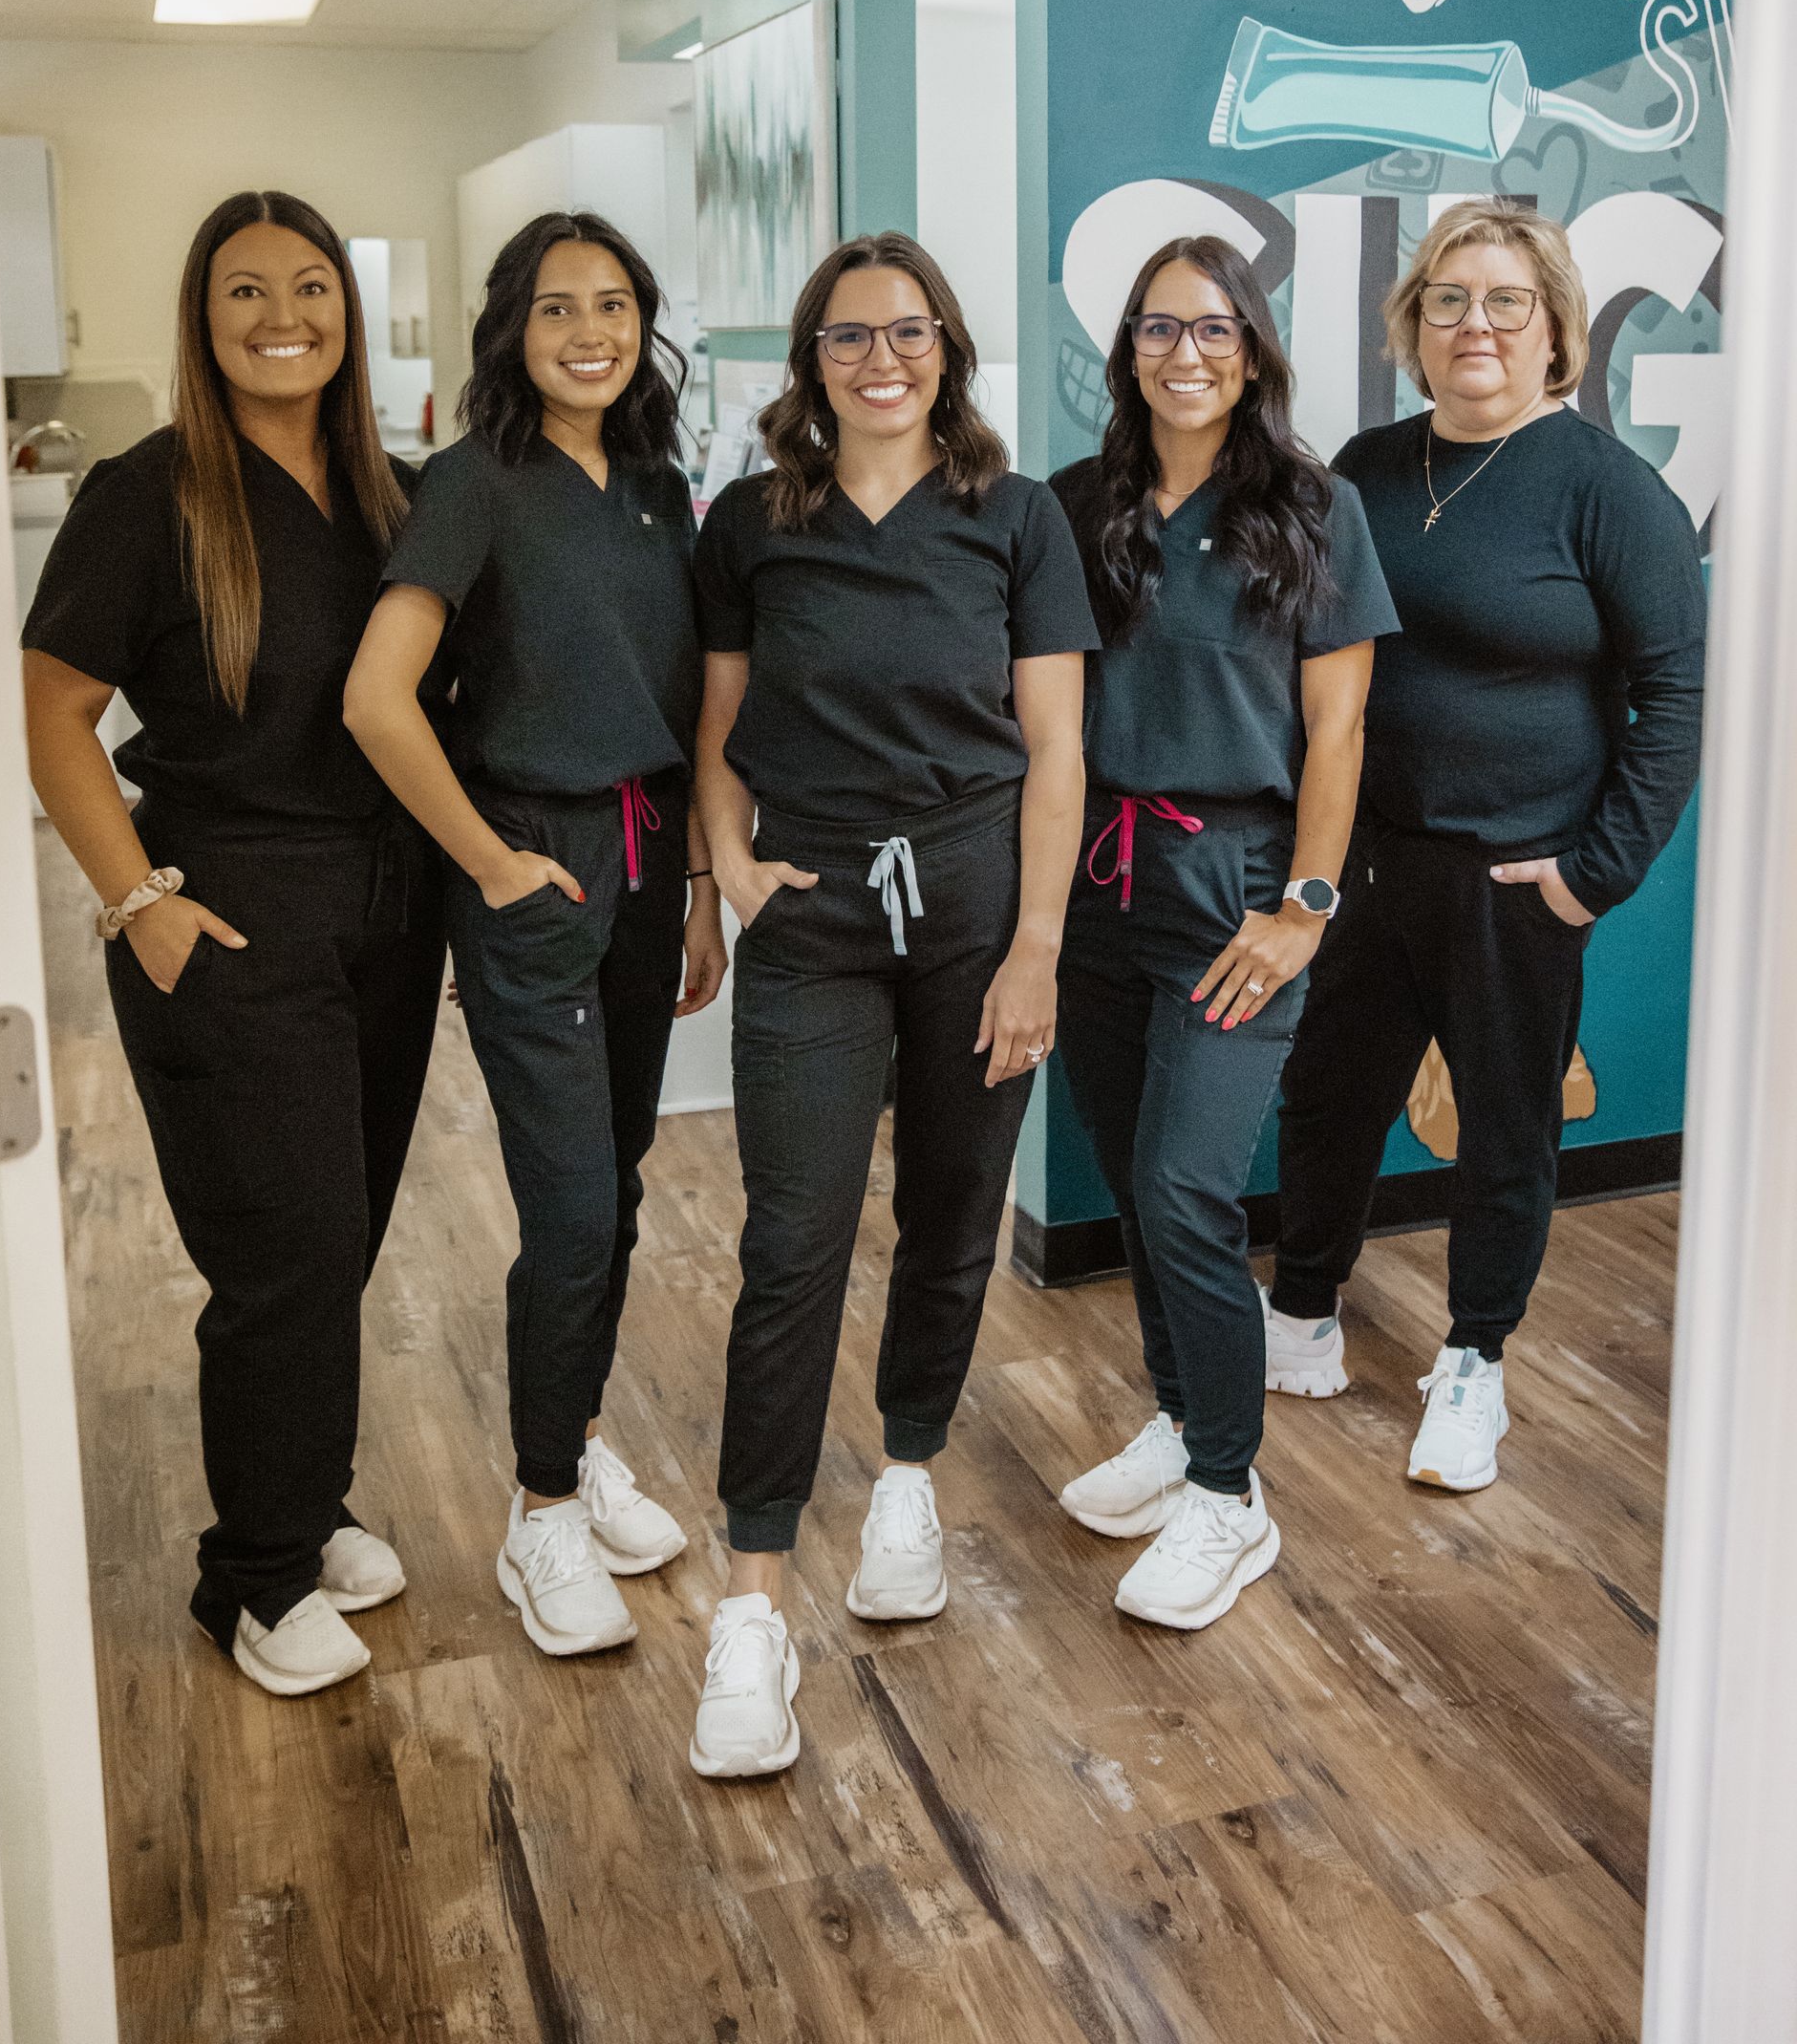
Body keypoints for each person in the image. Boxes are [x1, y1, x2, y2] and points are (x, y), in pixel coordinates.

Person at [22, 190, 446, 1698]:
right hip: (233, 916)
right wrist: (140, 905)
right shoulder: (149, 496)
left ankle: (305, 1508)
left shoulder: (394, 495)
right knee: (284, 1253)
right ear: (205, 321)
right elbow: (54, 712)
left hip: (389, 921)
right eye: (248, 291)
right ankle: (251, 1583)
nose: (287, 317)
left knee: (344, 1236)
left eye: (314, 286)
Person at [687, 231, 1095, 1780]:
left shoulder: (1018, 519)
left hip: (981, 902)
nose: (881, 360)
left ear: (949, 351)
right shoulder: (749, 524)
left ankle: (910, 1472)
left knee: (952, 1214)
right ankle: (752, 1601)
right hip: (814, 907)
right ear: (812, 362)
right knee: (789, 1242)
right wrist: (727, 864)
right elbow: (716, 721)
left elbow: (1055, 748)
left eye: (909, 333)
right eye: (850, 338)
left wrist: (1039, 945)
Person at [1263, 197, 1706, 1491]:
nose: (1477, 325)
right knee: (1328, 1097)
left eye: (1508, 301)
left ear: (1557, 328)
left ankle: (1475, 1363)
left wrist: (1591, 876)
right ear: (1413, 325)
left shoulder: (1611, 493)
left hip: (1515, 878)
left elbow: (1672, 702)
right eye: (1450, 300)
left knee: (1506, 1128)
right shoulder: (1371, 467)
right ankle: (1301, 1311)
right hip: (1367, 863)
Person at [344, 211, 726, 1662]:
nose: (589, 331)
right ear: (514, 325)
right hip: (538, 870)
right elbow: (380, 700)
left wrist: (695, 884)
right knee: (571, 1207)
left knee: (615, 1187)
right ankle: (543, 1508)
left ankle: (572, 1433)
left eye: (615, 304)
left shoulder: (654, 483)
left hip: (641, 859)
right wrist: (491, 863)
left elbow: (684, 700)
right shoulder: (472, 482)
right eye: (558, 306)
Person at [1048, 234, 1397, 1631]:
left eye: (1211, 329)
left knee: (1190, 1187)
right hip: (1100, 882)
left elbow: (1340, 727)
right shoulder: (1079, 504)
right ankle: (1184, 1417)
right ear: (1126, 348)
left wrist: (1304, 908)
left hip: (1237, 883)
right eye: (1155, 329)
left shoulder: (1314, 508)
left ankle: (1230, 1496)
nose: (1183, 353)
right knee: (1141, 1182)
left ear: (1251, 348)